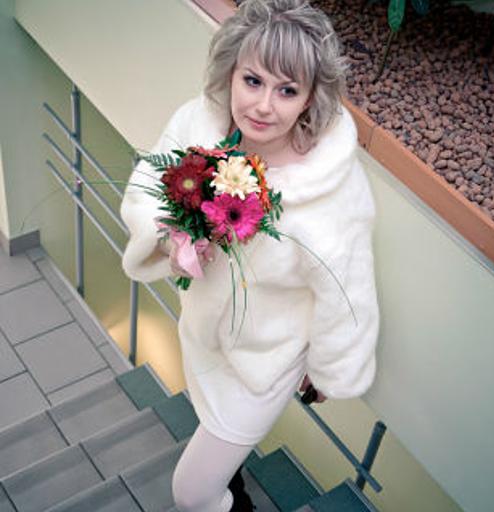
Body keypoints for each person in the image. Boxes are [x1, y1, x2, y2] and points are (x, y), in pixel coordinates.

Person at [120, 1, 379, 510]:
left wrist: (328, 366)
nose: (263, 106)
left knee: (192, 492)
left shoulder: (332, 189)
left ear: (310, 97)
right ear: (232, 72)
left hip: (265, 361)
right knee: (217, 452)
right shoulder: (199, 124)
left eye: (287, 90)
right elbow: (147, 186)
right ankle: (234, 485)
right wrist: (174, 240)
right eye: (253, 81)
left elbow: (348, 288)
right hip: (204, 333)